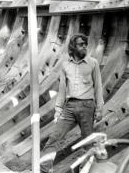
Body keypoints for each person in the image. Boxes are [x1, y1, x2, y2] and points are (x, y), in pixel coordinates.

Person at [40, 33, 104, 173]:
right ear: (73, 47)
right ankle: (44, 170)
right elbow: (62, 89)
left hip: (87, 106)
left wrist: (99, 109)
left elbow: (98, 87)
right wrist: (58, 109)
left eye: (85, 45)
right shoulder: (65, 65)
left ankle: (89, 170)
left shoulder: (93, 63)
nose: (84, 47)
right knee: (54, 138)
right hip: (69, 107)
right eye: (81, 44)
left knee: (87, 141)